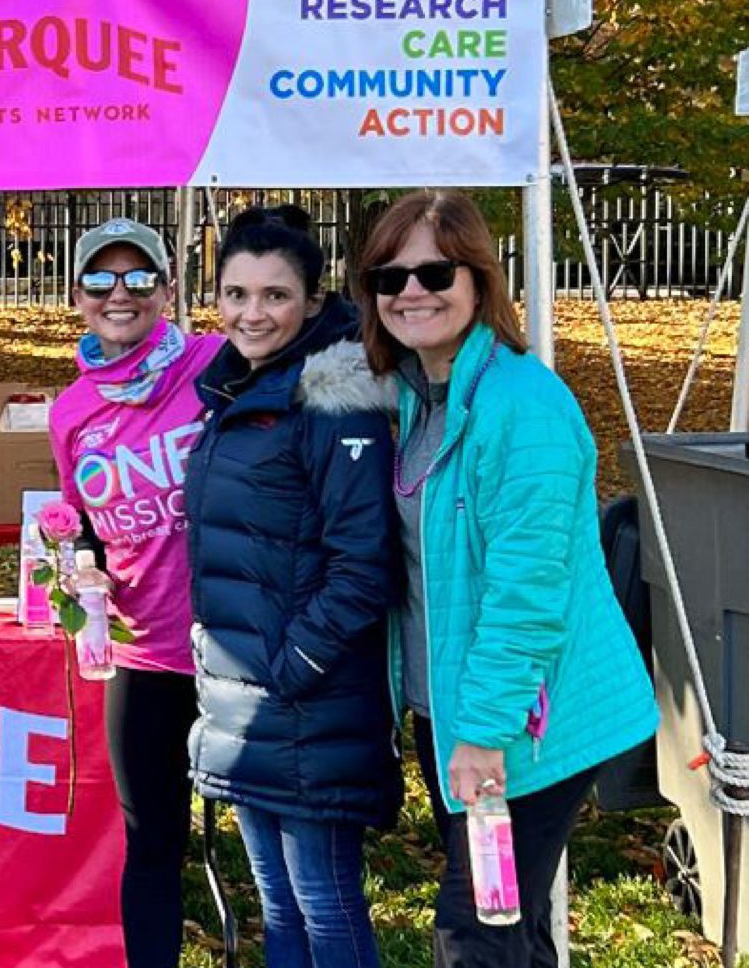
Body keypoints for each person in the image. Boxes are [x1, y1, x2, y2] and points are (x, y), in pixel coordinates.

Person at [356, 190, 656, 967]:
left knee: (474, 931)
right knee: (511, 926)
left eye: (433, 271)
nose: (411, 291)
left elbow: (528, 593)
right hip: (453, 703)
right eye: (389, 278)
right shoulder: (426, 397)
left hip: (521, 716)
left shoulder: (522, 407)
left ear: (480, 277)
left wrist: (484, 732)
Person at [185, 205, 401, 968]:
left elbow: (363, 562)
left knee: (325, 904)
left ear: (313, 301)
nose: (253, 312)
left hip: (308, 702)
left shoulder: (334, 395)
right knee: (280, 908)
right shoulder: (240, 390)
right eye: (236, 294)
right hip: (246, 698)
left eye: (275, 295)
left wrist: (292, 667)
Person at [47, 217, 223, 968]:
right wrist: (77, 564)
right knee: (150, 841)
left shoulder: (218, 364)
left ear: (168, 288)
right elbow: (78, 525)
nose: (119, 295)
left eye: (139, 277)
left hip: (238, 643)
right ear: (77, 297)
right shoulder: (71, 412)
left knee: (292, 847)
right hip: (143, 652)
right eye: (99, 280)